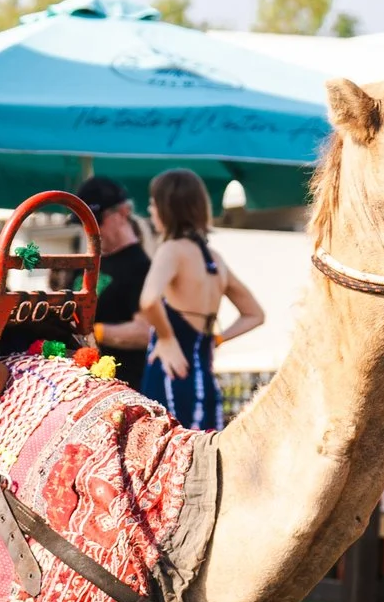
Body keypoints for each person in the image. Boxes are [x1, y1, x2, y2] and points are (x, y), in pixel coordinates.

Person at [138, 169, 265, 429]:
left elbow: (149, 299)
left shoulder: (172, 250)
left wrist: (166, 337)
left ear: (167, 207)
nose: (150, 211)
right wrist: (217, 339)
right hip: (204, 379)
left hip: (172, 374)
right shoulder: (214, 259)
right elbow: (255, 314)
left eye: (153, 203)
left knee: (168, 457)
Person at [75, 175, 154, 385]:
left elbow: (146, 332)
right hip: (83, 382)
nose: (89, 228)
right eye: (83, 221)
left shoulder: (141, 267)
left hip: (123, 387)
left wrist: (92, 331)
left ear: (123, 213)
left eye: (96, 219)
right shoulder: (87, 262)